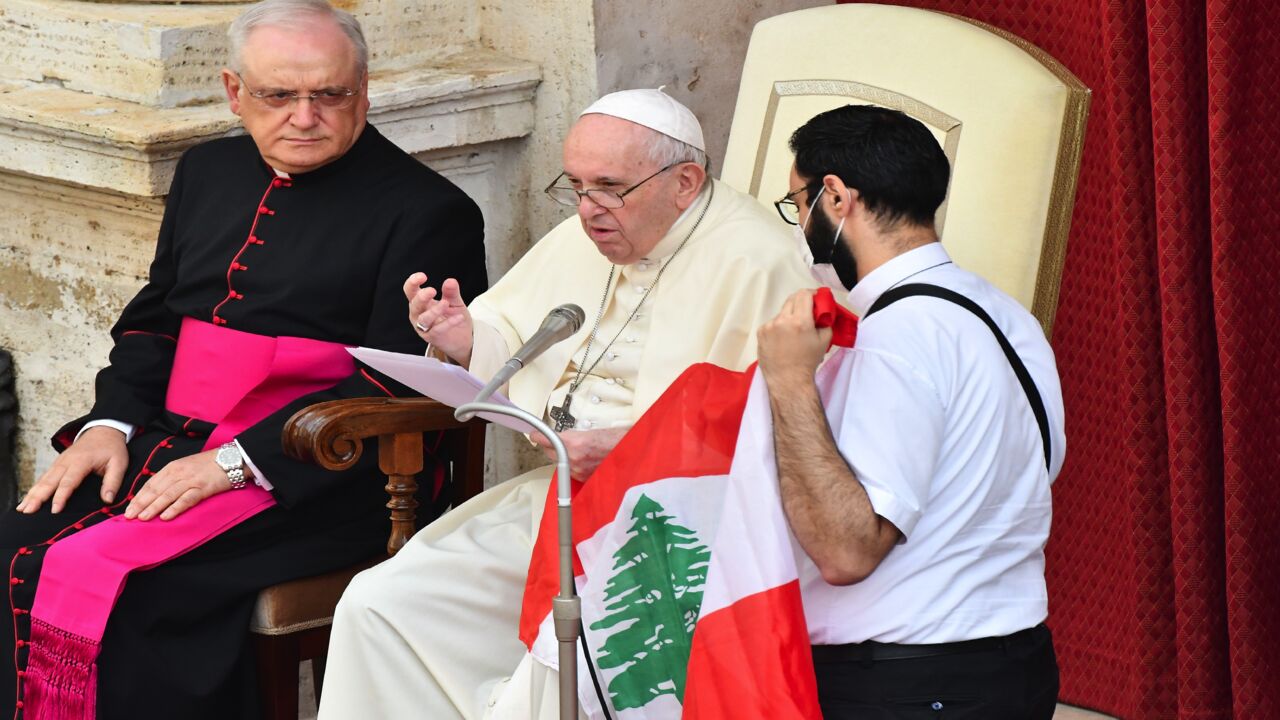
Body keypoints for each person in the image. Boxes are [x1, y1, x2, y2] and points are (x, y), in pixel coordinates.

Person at [0, 1, 487, 717]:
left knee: (135, 588)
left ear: (363, 92)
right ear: (235, 92)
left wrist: (236, 463)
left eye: (329, 94)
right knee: (13, 540)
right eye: (278, 95)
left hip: (323, 472)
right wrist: (110, 425)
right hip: (171, 443)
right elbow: (157, 323)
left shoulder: (427, 210)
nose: (304, 115)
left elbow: (398, 383)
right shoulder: (208, 170)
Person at [318, 89, 816, 720]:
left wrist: (637, 450)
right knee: (381, 602)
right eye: (576, 186)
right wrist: (464, 338)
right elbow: (516, 329)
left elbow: (785, 425)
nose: (588, 210)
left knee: (551, 680)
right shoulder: (587, 234)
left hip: (671, 526)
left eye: (609, 187)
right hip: (560, 496)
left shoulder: (760, 260)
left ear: (685, 182)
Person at [756, 104, 1066, 719]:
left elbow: (847, 552)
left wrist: (789, 380)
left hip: (909, 682)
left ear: (836, 198)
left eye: (798, 204)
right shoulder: (1007, 314)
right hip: (1014, 664)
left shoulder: (895, 336)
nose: (801, 224)